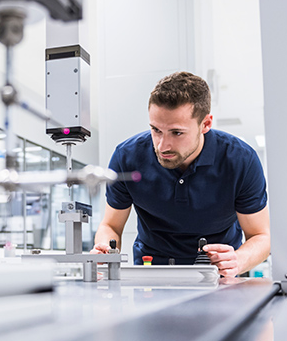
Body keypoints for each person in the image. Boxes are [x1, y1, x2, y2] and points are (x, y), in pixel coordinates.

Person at [91, 71, 270, 277]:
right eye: (156, 130)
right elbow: (111, 225)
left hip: (217, 274)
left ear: (206, 124)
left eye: (177, 133)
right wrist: (105, 250)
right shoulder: (126, 158)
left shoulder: (241, 161)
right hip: (151, 273)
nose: (162, 146)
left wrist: (238, 260)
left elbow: (261, 236)